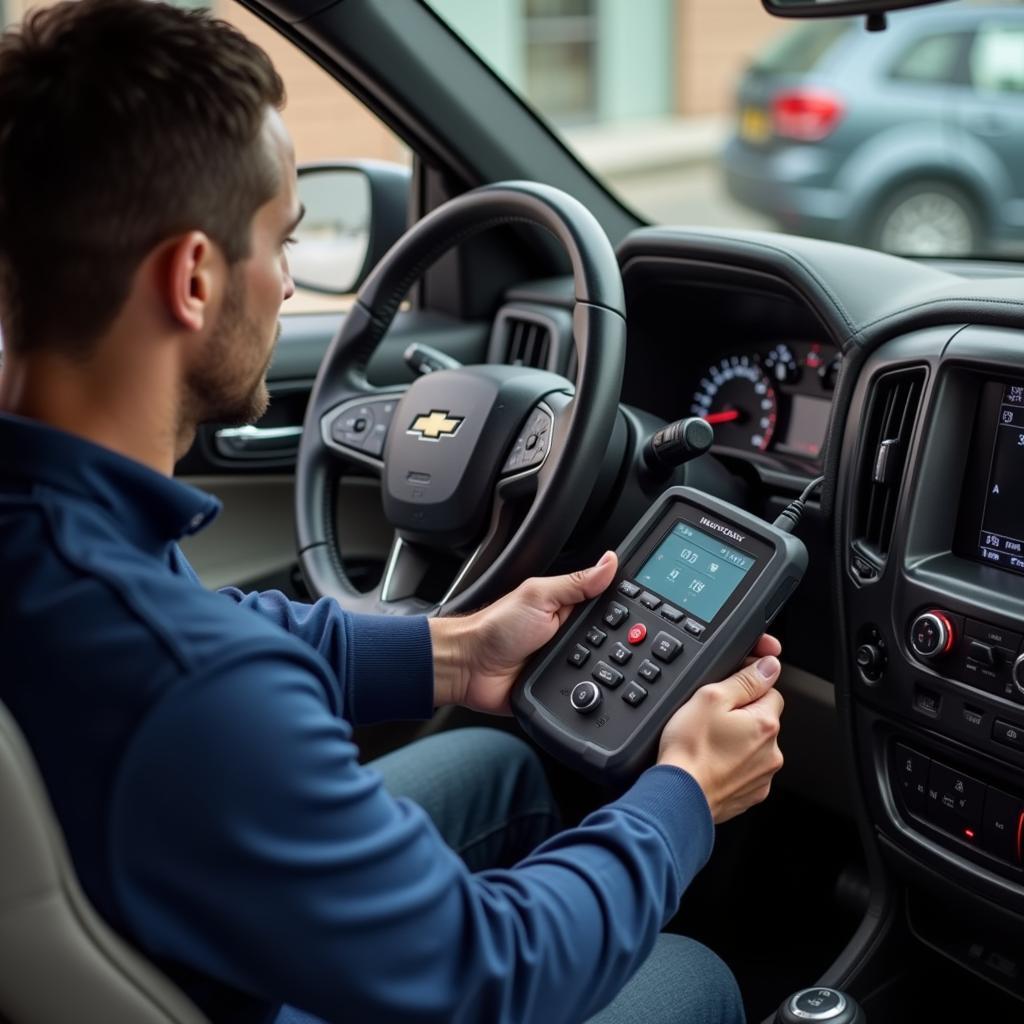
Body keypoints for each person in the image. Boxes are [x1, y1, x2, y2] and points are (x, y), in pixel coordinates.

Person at [0, 2, 785, 1023]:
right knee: (694, 980)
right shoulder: (197, 693)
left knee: (505, 766)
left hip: (142, 920)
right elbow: (488, 977)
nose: (287, 282)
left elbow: (197, 631)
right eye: (280, 241)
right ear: (192, 277)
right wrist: (682, 795)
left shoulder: (59, 542)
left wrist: (450, 654)